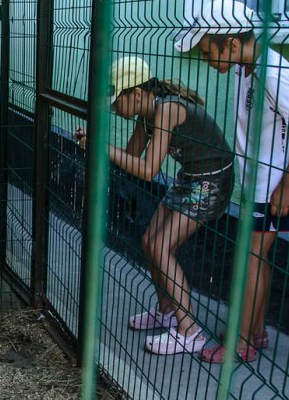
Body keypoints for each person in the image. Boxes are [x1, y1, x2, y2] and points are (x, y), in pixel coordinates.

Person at [174, 0, 289, 363]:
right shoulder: (247, 67)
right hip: (262, 182)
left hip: (277, 186)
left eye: (208, 50)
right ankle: (254, 331)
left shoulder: (272, 71)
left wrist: (287, 184)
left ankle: (241, 343)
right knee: (258, 258)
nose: (206, 60)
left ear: (233, 44)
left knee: (250, 259)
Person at [74, 56, 235, 355]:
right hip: (191, 177)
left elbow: (148, 170)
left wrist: (102, 147)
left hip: (210, 183)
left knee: (161, 246)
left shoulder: (167, 110)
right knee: (150, 241)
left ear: (135, 94)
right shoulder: (147, 115)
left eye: (116, 102)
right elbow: (131, 154)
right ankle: (166, 311)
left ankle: (190, 330)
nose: (114, 109)